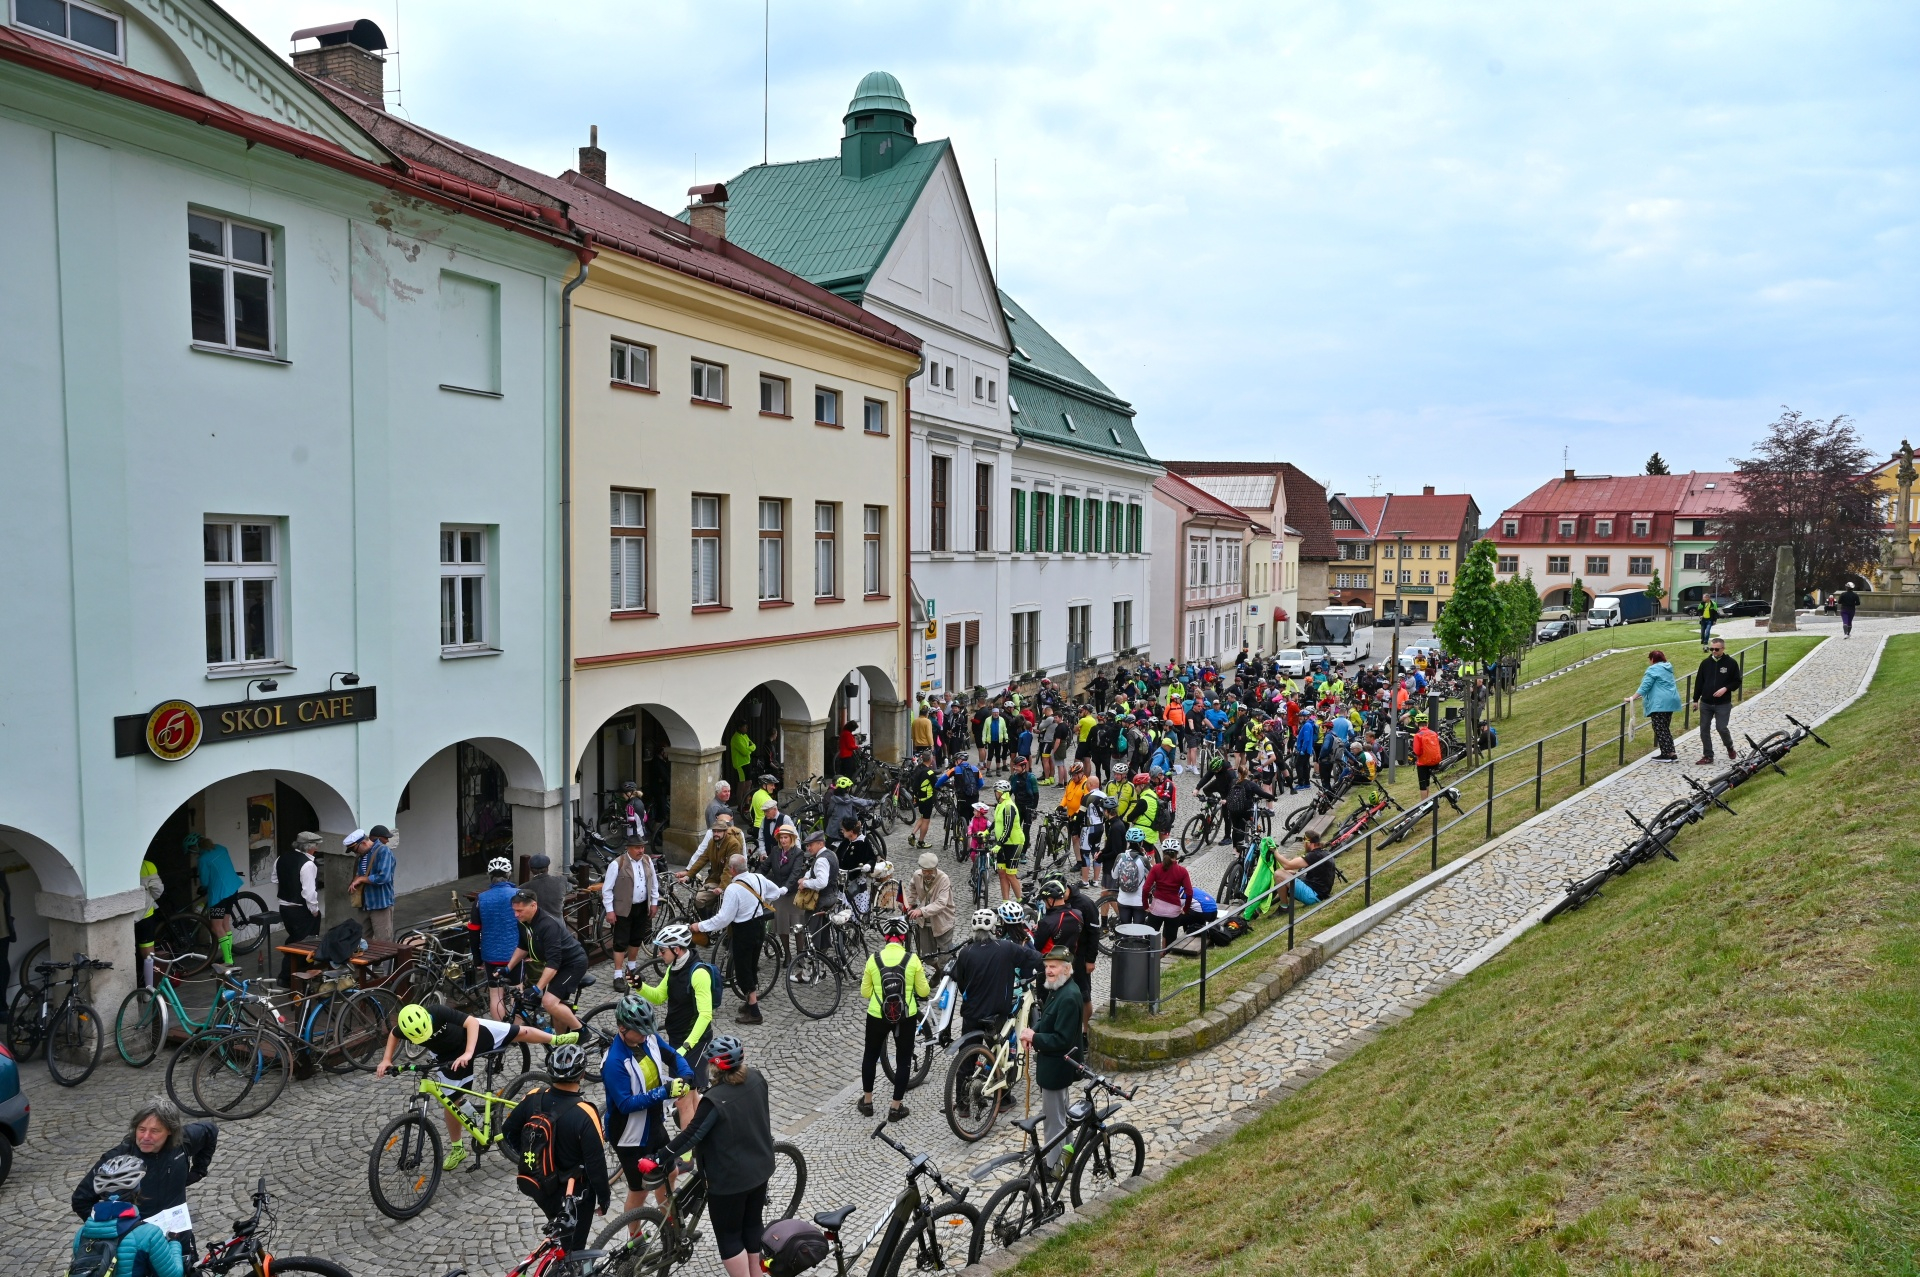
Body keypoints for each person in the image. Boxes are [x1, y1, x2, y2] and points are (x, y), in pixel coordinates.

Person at [376, 1002, 574, 1168]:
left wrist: (469, 1053)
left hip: (472, 1036)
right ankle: (458, 1148)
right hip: (448, 1056)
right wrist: (386, 1059)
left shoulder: (437, 1011)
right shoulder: (405, 1028)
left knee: (520, 1031)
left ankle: (556, 1039)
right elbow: (393, 1034)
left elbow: (471, 1022)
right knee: (450, 1102)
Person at [648, 1036, 774, 1277]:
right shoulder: (757, 1077)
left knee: (730, 1237)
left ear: (715, 1067)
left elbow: (691, 1136)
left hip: (729, 1181)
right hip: (761, 1168)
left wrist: (658, 1158)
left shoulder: (714, 1100)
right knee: (753, 1225)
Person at [73, 1098, 216, 1261]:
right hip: (140, 1248)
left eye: (155, 1131)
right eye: (141, 1129)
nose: (146, 1137)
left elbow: (211, 1131)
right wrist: (112, 1230)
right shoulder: (119, 1160)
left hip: (179, 1238)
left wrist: (198, 1171)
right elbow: (80, 1200)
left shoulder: (183, 1142)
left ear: (170, 1131)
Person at [501, 1043, 609, 1253]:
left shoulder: (533, 1097)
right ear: (582, 1074)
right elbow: (595, 1164)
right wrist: (604, 1198)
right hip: (573, 1192)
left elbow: (508, 1131)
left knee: (558, 1230)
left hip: (540, 1184)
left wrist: (531, 1155)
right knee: (573, 1250)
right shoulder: (585, 1113)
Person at [601, 995, 695, 1220]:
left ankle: (669, 1222)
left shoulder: (648, 1037)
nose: (646, 1035)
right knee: (640, 1191)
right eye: (640, 1031)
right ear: (622, 1028)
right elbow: (625, 1104)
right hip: (629, 1135)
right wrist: (664, 1092)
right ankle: (635, 1237)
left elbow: (672, 1055)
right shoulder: (614, 1062)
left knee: (671, 1172)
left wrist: (686, 1074)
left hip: (653, 1123)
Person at [693, 852, 783, 1025]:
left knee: (743, 971)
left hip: (743, 931)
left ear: (732, 870)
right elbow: (776, 893)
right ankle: (749, 1003)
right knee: (751, 966)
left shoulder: (733, 889)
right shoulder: (758, 878)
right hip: (759, 927)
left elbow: (723, 919)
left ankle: (755, 1012)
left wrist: (700, 926)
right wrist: (761, 901)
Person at [858, 916, 930, 1121]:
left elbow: (865, 992)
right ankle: (895, 1108)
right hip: (906, 1016)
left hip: (877, 1015)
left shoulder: (873, 960)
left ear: (885, 937)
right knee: (903, 1060)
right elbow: (924, 991)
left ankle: (867, 1102)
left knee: (870, 1056)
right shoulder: (912, 960)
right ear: (903, 937)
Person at [1017, 953, 1085, 1169]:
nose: (1048, 970)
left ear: (1066, 968)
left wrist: (1035, 1038)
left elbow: (1061, 1039)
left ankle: (1054, 1167)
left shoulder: (1068, 997)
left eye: (1053, 966)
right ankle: (1067, 1161)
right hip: (1056, 1067)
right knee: (1062, 1118)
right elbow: (1048, 1020)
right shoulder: (1059, 989)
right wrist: (1032, 1032)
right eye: (1047, 966)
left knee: (1053, 1122)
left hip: (1057, 1069)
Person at [639, 924, 717, 1112]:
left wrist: (688, 1045)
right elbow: (659, 996)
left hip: (695, 1043)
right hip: (677, 1039)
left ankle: (691, 1132)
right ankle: (701, 1127)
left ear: (676, 949)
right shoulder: (673, 967)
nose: (660, 954)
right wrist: (639, 986)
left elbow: (706, 1015)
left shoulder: (699, 973)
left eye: (662, 950)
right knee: (691, 1095)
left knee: (682, 1099)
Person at [70, 1156, 185, 1277]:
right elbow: (174, 1274)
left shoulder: (82, 1233)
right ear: (136, 1190)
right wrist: (174, 1242)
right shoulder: (149, 1234)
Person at [950, 903, 1041, 1042]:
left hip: (972, 1011)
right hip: (997, 1011)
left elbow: (962, 984)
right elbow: (1034, 958)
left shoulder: (965, 952)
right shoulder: (1006, 947)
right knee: (1001, 1046)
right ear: (993, 929)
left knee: (967, 1049)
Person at [509, 889, 589, 1031]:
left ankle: (580, 1030)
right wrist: (507, 968)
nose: (516, 914)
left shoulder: (548, 924)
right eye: (514, 910)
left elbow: (554, 962)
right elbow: (523, 947)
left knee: (549, 1002)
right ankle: (561, 1040)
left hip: (573, 963)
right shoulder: (524, 922)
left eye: (520, 910)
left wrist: (537, 988)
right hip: (557, 965)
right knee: (556, 1008)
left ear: (533, 906)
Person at [602, 833, 660, 983]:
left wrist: (654, 902)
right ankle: (618, 975)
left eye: (642, 847)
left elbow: (654, 883)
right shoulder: (618, 864)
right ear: (628, 848)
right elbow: (607, 890)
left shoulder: (647, 860)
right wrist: (610, 910)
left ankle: (632, 969)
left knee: (636, 938)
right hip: (623, 908)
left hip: (641, 906)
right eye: (637, 848)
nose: (641, 850)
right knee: (620, 941)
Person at [271, 831, 322, 987]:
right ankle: (291, 977)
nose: (317, 848)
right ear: (310, 847)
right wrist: (315, 911)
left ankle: (292, 977)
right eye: (316, 845)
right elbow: (309, 893)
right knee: (306, 945)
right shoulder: (308, 864)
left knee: (295, 940)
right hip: (301, 910)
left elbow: (274, 879)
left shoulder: (281, 858)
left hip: (285, 908)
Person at [473, 857, 521, 1018]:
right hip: (515, 953)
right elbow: (528, 926)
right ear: (508, 875)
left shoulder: (481, 898)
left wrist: (477, 958)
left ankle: (500, 1030)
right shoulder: (518, 895)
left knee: (495, 995)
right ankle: (518, 1029)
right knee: (517, 992)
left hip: (490, 954)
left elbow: (474, 930)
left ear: (490, 875)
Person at [186, 834, 242, 966]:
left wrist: (203, 887)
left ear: (194, 848)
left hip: (219, 894)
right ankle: (228, 957)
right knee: (225, 924)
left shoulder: (203, 859)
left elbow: (205, 882)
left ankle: (228, 961)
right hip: (232, 888)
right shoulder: (221, 848)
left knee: (216, 927)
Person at [1625, 649, 1683, 762]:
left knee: (1659, 728)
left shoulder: (1653, 669)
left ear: (1652, 659)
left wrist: (1632, 697)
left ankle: (1666, 754)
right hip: (1670, 701)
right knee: (1664, 727)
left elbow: (1645, 686)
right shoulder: (1667, 668)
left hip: (1660, 703)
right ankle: (1671, 753)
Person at [1694, 636, 1743, 765]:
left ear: (1723, 649)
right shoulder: (1705, 663)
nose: (1714, 652)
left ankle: (1729, 746)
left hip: (1723, 704)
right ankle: (1708, 755)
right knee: (1704, 729)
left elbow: (1737, 681)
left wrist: (1726, 688)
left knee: (1721, 728)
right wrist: (1695, 699)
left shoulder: (1731, 663)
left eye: (1716, 649)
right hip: (1706, 703)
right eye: (1711, 649)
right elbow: (1699, 682)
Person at [348, 824, 398, 941]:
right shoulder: (362, 855)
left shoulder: (383, 851)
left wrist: (361, 879)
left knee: (383, 942)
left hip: (380, 903)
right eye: (386, 838)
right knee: (361, 940)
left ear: (363, 843)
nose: (387, 841)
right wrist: (356, 880)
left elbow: (384, 877)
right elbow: (361, 873)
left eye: (355, 849)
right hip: (365, 904)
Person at [1143, 843, 1194, 951]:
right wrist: (1186, 909)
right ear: (1177, 854)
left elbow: (1146, 888)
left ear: (1163, 852)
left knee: (1149, 940)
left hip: (1156, 909)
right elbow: (1189, 893)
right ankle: (1166, 957)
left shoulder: (1156, 868)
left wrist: (1145, 905)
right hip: (1173, 911)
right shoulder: (1182, 871)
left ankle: (1150, 959)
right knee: (1171, 943)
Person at [905, 852, 955, 957]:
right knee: (927, 957)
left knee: (945, 957)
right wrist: (910, 903)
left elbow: (941, 903)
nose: (927, 873)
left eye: (930, 871)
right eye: (925, 871)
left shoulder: (943, 879)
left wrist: (921, 911)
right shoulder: (917, 875)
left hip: (942, 921)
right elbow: (912, 889)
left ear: (935, 868)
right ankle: (937, 967)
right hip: (924, 922)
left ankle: (945, 967)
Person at [988, 780, 1026, 902]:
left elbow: (1008, 828)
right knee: (1001, 873)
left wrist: (999, 844)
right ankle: (1005, 902)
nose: (995, 793)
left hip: (1014, 843)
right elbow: (997, 822)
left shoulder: (1009, 807)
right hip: (1002, 843)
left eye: (996, 791)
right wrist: (987, 831)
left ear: (1000, 792)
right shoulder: (1000, 804)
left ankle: (1020, 900)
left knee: (1010, 874)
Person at [1411, 721, 1443, 800]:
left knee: (1422, 783)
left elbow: (1417, 751)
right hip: (1433, 761)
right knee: (1427, 780)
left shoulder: (1418, 735)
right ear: (1427, 723)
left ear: (1417, 724)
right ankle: (1427, 799)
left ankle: (1424, 803)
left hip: (1422, 763)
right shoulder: (1433, 733)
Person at [729, 728, 758, 793]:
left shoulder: (745, 736)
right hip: (740, 764)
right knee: (742, 785)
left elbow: (754, 745)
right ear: (740, 727)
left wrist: (748, 749)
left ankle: (746, 799)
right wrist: (750, 749)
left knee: (749, 783)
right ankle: (740, 799)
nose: (746, 728)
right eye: (745, 727)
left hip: (747, 762)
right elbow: (745, 752)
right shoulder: (736, 738)